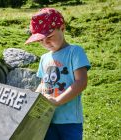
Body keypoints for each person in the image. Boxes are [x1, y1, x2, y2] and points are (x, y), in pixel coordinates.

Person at [25, 8, 91, 140]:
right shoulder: (44, 58)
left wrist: (57, 101)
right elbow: (44, 82)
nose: (45, 43)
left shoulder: (74, 52)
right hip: (47, 119)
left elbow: (81, 82)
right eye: (40, 40)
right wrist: (33, 98)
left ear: (62, 28)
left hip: (69, 120)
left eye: (49, 37)